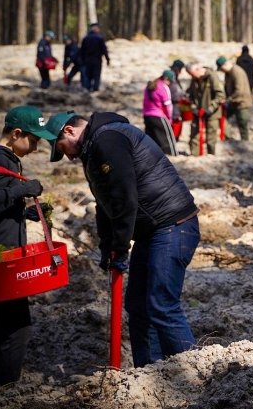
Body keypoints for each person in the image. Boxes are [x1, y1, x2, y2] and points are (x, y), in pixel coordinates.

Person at [47, 110, 200, 367]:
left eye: (62, 149)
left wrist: (120, 246)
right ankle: (149, 373)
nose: (68, 157)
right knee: (138, 306)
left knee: (162, 304)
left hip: (173, 226)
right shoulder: (95, 146)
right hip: (152, 231)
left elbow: (124, 197)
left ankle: (194, 375)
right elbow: (105, 203)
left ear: (69, 131)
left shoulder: (107, 140)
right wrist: (108, 246)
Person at [0, 106, 56, 395]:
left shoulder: (5, 158)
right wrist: (22, 190)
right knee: (17, 327)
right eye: (33, 141)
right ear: (16, 134)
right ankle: (5, 396)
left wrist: (25, 213)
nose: (34, 148)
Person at [185, 60, 225, 154]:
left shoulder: (212, 76)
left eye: (192, 73)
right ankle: (194, 156)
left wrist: (210, 108)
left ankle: (211, 156)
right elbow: (190, 94)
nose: (192, 76)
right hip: (198, 112)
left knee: (211, 138)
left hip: (212, 113)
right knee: (194, 135)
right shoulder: (194, 79)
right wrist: (193, 107)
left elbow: (220, 95)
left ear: (198, 69)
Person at [217, 56, 253, 141]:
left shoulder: (237, 72)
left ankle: (245, 143)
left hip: (242, 103)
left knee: (242, 124)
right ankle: (227, 138)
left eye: (221, 69)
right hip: (233, 102)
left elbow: (239, 91)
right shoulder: (228, 73)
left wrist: (228, 100)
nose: (222, 71)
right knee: (225, 119)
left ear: (225, 65)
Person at [142, 70, 178, 156]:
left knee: (151, 139)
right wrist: (169, 119)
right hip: (159, 116)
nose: (169, 83)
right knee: (168, 139)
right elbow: (168, 106)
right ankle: (173, 156)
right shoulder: (163, 87)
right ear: (165, 79)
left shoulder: (149, 86)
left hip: (147, 116)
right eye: (169, 81)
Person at [168, 59, 191, 154]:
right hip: (174, 106)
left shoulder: (173, 76)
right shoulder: (172, 77)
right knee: (175, 125)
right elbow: (175, 92)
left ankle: (172, 146)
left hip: (175, 105)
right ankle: (171, 148)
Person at [80, 23, 110, 92]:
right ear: (96, 29)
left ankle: (87, 88)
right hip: (97, 60)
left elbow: (82, 51)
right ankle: (95, 89)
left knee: (88, 75)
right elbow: (104, 50)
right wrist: (107, 59)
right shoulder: (100, 38)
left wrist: (82, 60)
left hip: (87, 60)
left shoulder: (85, 38)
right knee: (96, 75)